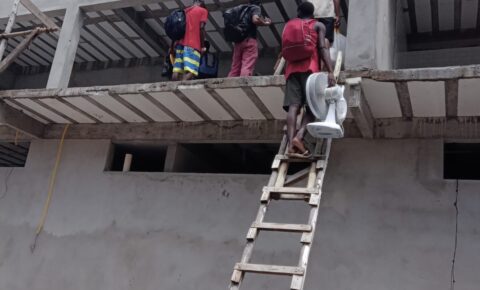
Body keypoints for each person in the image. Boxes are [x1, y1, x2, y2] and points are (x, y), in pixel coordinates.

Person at [283, 2, 335, 158]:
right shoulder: (318, 25)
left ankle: (291, 144)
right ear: (313, 13)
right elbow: (322, 48)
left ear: (298, 12)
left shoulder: (289, 25)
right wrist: (330, 71)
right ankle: (299, 138)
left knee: (294, 106)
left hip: (291, 70)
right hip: (310, 69)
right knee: (312, 108)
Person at [228, 0, 272, 77]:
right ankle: (244, 84)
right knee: (247, 64)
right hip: (249, 40)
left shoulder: (242, 9)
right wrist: (265, 23)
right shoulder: (255, 8)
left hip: (238, 41)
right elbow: (255, 20)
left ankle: (230, 87)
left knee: (235, 66)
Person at [172, 0, 208, 81]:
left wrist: (174, 43)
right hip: (193, 45)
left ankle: (174, 87)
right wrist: (202, 46)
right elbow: (201, 28)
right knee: (192, 71)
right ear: (201, 3)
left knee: (177, 70)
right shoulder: (203, 10)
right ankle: (182, 86)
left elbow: (177, 28)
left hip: (180, 44)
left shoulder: (185, 11)